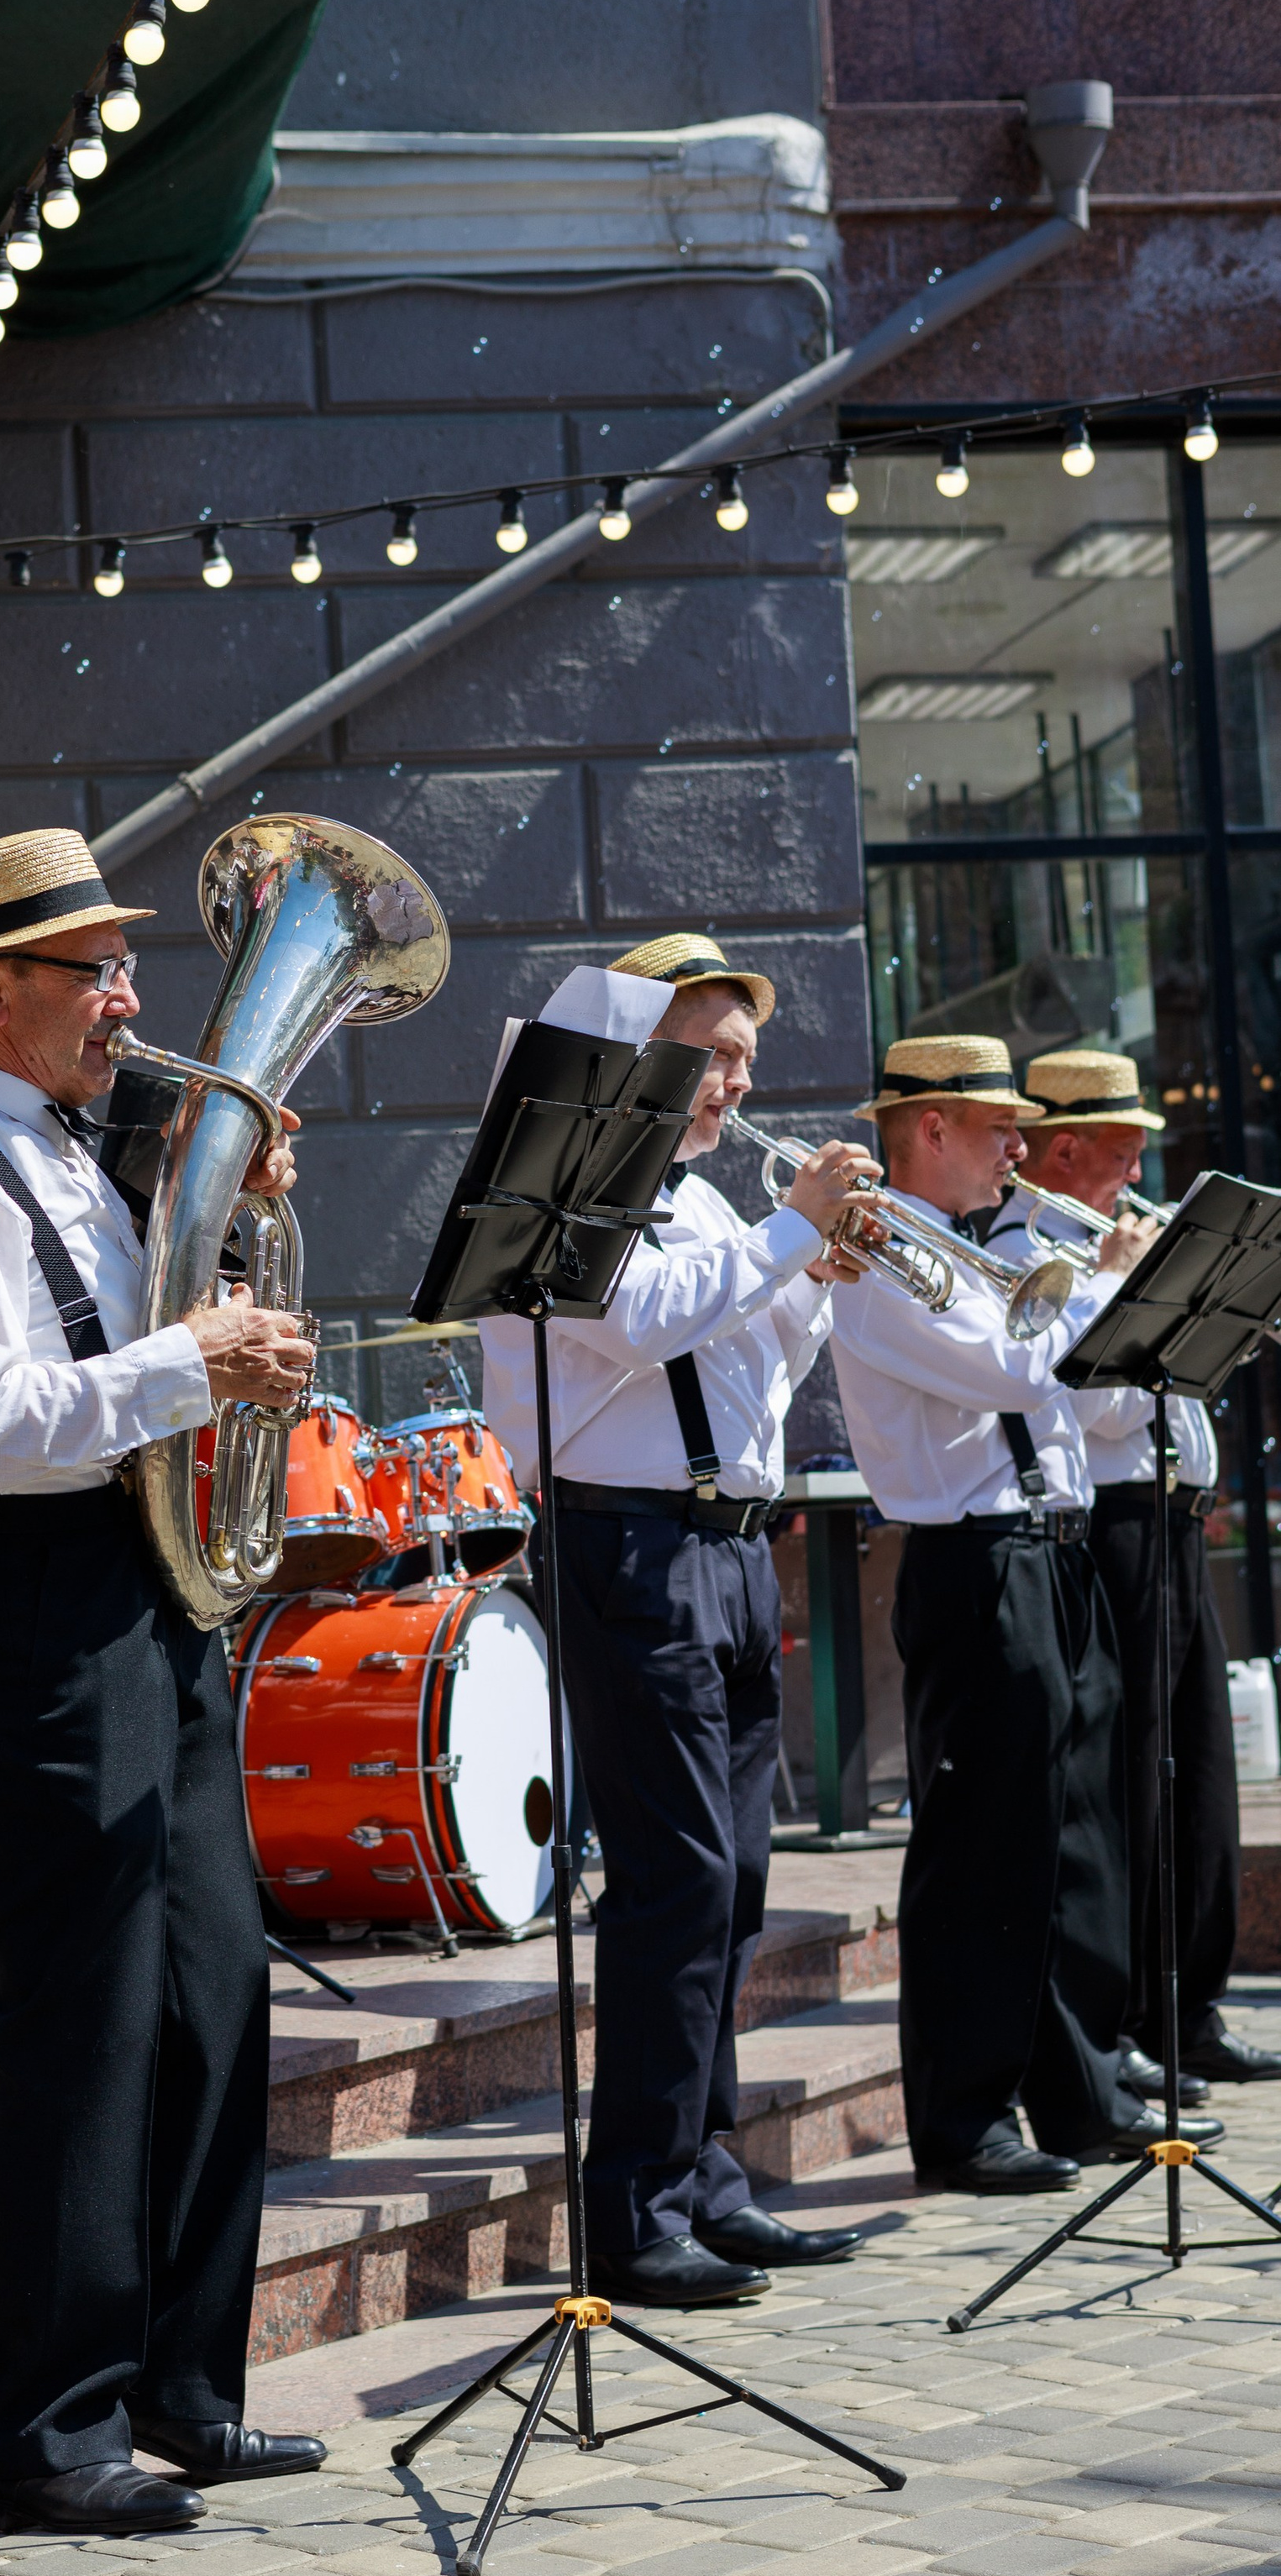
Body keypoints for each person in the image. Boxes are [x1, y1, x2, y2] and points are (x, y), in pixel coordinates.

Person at [0, 826, 323, 2538]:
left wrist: (228, 1261)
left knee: (209, 1989)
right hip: (19, 1595)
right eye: (92, 973)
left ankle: (183, 2387)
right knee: (84, 2013)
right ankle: (38, 2433)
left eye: (120, 968)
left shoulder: (48, 1146)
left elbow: (130, 1358)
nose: (126, 1000)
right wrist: (188, 1360)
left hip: (127, 1582)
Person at [480, 932, 880, 2312]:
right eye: (712, 1056)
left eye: (745, 1061)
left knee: (741, 1879)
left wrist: (815, 1276)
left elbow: (761, 1381)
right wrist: (790, 1230)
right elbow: (642, 1321)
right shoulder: (575, 1188)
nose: (734, 1085)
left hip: (729, 1550)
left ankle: (706, 2180)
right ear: (642, 1050)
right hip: (626, 1545)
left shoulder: (712, 1208)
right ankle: (635, 2211)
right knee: (678, 1877)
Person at [827, 1032, 1225, 2192]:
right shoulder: (885, 1252)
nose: (1022, 1148)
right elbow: (1020, 1372)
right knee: (985, 1855)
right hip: (973, 1560)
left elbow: (1085, 1385)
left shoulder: (983, 1245)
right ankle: (962, 2120)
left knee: (1079, 1836)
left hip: (1051, 1550)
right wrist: (1106, 1285)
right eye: (1002, 1128)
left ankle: (1077, 2088)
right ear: (932, 1132)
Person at [987, 1049, 1279, 2095]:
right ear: (1065, 1148)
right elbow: (1100, 1406)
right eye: (1120, 1153)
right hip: (1110, 1525)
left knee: (1197, 1775)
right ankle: (1128, 2021)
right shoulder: (1035, 1253)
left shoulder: (1114, 1241)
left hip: (1175, 1521)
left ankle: (1190, 2006)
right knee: (1131, 1778)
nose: (1137, 1172)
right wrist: (1123, 1286)